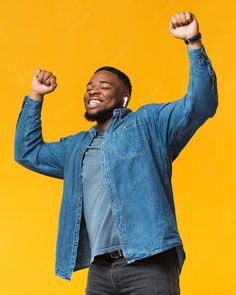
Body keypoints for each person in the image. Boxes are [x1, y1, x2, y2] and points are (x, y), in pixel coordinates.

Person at [14, 11, 218, 295]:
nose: (92, 90)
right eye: (89, 87)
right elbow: (27, 152)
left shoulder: (149, 124)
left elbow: (200, 104)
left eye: (103, 86)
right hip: (99, 269)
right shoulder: (76, 148)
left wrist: (192, 41)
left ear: (124, 98)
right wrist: (35, 96)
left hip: (150, 260)